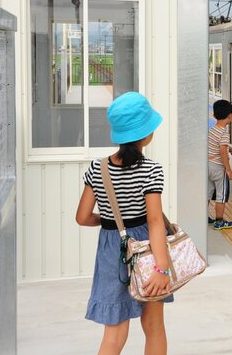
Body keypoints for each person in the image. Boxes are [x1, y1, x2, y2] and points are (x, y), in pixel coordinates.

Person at [76, 91, 172, 354]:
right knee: (154, 326)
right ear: (145, 134)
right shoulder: (151, 170)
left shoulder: (98, 168)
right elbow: (154, 221)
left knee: (115, 332)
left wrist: (109, 222)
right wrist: (161, 268)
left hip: (112, 251)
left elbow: (82, 217)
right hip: (147, 248)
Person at [208, 100, 232, 230]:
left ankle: (203, 216)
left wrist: (230, 149)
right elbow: (222, 151)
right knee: (221, 195)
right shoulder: (224, 133)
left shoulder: (212, 130)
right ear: (230, 116)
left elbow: (215, 145)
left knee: (207, 193)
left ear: (214, 115)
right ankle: (219, 221)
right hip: (219, 168)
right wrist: (228, 169)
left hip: (208, 166)